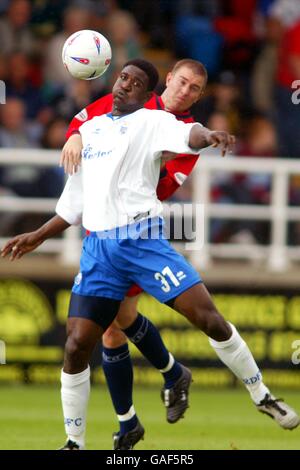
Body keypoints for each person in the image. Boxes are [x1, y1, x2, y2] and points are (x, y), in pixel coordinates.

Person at [2, 59, 299, 451]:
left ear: (147, 94)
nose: (125, 85)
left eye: (135, 82)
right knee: (77, 345)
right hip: (98, 250)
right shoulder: (92, 129)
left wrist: (211, 136)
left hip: (142, 240)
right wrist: (38, 235)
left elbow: (188, 134)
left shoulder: (154, 121)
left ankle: (262, 395)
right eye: (123, 77)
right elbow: (73, 203)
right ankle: (76, 441)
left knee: (207, 317)